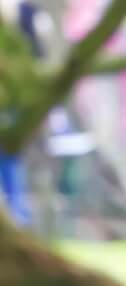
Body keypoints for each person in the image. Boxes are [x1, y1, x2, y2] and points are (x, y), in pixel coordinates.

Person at [0, 0, 49, 227]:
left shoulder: (29, 13)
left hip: (15, 101)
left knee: (9, 157)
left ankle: (17, 214)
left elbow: (38, 57)